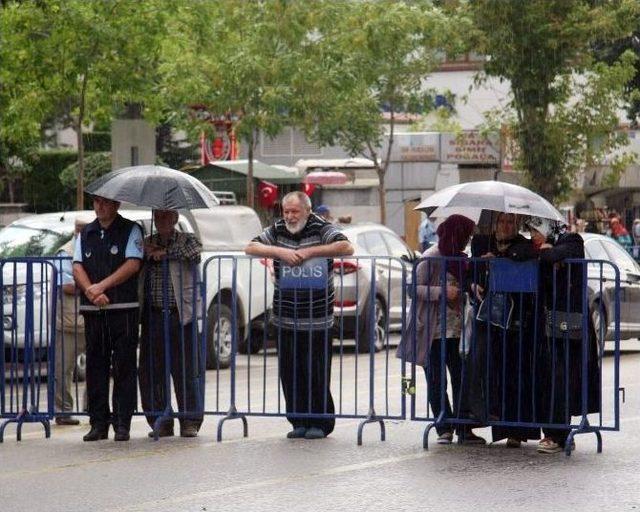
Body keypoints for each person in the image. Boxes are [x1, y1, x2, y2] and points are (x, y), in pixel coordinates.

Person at [245, 191, 353, 440]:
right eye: (286, 212)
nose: (290, 217)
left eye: (295, 211)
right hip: (286, 316)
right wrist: (279, 253)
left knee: (316, 371)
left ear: (307, 210)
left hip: (317, 318)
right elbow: (251, 247)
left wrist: (310, 252)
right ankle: (298, 421)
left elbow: (346, 246)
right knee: (291, 371)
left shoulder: (320, 227)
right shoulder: (278, 229)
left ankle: (320, 422)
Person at [397, 214, 485, 445]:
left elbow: (464, 281)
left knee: (461, 379)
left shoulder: (459, 258)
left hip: (457, 332)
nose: (466, 241)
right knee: (437, 381)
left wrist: (471, 285)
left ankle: (464, 427)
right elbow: (413, 289)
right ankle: (443, 426)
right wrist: (442, 292)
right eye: (463, 236)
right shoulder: (431, 257)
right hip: (433, 332)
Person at [525, 217, 600, 454]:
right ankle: (556, 432)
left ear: (547, 228)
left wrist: (549, 252)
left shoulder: (571, 240)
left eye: (535, 230)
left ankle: (559, 434)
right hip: (550, 323)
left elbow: (558, 254)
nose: (533, 236)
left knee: (563, 376)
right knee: (550, 377)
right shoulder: (542, 248)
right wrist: (546, 253)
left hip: (571, 323)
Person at [73, 195, 143, 442]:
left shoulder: (131, 229)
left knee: (124, 367)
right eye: (96, 203)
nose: (100, 207)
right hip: (94, 311)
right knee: (95, 367)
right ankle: (98, 423)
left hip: (123, 308)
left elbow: (133, 263)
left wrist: (101, 286)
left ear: (116, 205)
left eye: (105, 202)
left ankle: (122, 423)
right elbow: (77, 265)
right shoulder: (85, 233)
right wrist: (91, 292)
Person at [467, 213, 539, 448]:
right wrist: (474, 282)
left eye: (510, 222)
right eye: (502, 221)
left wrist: (499, 257)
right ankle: (481, 421)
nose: (506, 226)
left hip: (515, 321)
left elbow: (527, 256)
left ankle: (516, 431)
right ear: (496, 224)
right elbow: (471, 271)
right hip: (488, 320)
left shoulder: (522, 245)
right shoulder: (481, 243)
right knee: (487, 371)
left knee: (514, 375)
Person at [138, 209, 203, 438]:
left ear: (175, 219)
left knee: (185, 369)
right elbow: (138, 256)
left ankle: (190, 420)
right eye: (158, 217)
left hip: (180, 313)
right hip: (153, 313)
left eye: (166, 217)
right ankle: (160, 419)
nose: (161, 221)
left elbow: (194, 252)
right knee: (152, 371)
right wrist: (151, 252)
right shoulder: (146, 242)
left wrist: (164, 253)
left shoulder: (188, 239)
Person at [54, 216, 91, 425]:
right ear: (76, 231)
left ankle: (92, 407)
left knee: (97, 366)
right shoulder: (66, 252)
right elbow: (66, 285)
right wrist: (92, 287)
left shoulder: (94, 247)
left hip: (91, 317)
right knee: (63, 368)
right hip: (69, 320)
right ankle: (63, 411)